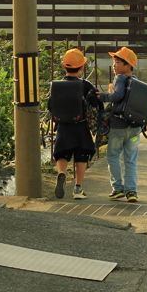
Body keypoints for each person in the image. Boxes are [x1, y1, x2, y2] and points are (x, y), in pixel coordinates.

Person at [52, 48, 101, 200]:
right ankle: (78, 188)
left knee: (62, 153)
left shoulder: (57, 85)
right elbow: (96, 102)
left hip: (63, 126)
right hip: (81, 126)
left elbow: (50, 105)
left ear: (63, 66)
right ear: (81, 68)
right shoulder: (85, 85)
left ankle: (61, 173)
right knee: (81, 155)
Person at [99, 47, 142, 203]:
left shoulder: (121, 78)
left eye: (117, 62)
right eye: (114, 62)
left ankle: (117, 188)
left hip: (118, 127)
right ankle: (131, 191)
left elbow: (117, 96)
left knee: (113, 156)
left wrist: (102, 96)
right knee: (131, 159)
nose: (114, 66)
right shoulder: (136, 81)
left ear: (128, 65)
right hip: (135, 129)